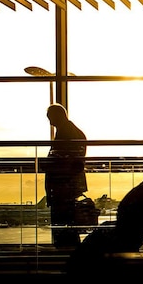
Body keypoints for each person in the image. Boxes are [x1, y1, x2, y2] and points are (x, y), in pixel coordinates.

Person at [44, 103, 88, 248]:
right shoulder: (74, 132)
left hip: (62, 185)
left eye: (50, 118)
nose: (50, 122)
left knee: (63, 224)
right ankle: (69, 252)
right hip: (67, 185)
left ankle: (65, 253)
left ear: (58, 116)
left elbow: (64, 159)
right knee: (68, 225)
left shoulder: (66, 133)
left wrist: (50, 162)